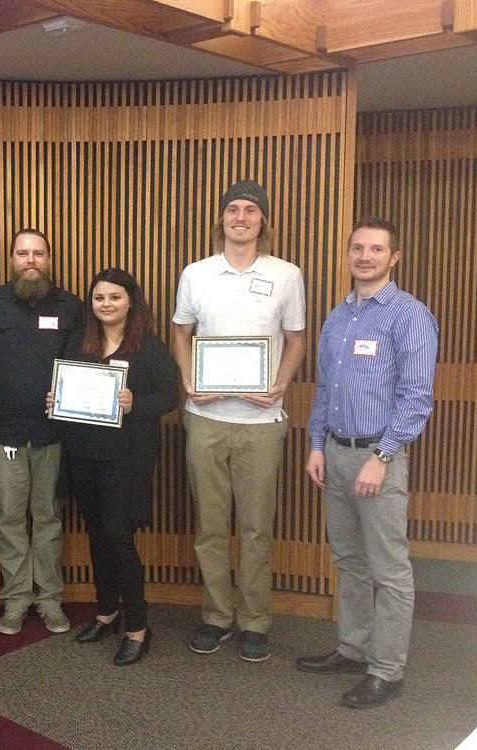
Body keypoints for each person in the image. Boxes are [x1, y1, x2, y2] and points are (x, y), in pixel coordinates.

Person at [296, 218, 438, 708]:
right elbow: (325, 389)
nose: (365, 256)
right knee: (349, 561)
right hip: (334, 453)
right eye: (357, 247)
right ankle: (353, 648)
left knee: (389, 568)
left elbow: (416, 398)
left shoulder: (410, 316)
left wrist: (382, 456)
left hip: (379, 457)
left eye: (376, 249)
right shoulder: (339, 316)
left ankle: (387, 669)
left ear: (393, 258)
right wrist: (316, 444)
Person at [172, 179, 306, 662]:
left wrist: (282, 384)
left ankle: (254, 621)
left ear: (263, 220)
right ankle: (215, 616)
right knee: (210, 526)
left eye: (251, 210)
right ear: (222, 219)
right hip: (205, 418)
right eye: (233, 209)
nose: (242, 217)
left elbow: (296, 340)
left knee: (254, 527)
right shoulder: (196, 273)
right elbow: (180, 333)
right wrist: (190, 382)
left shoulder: (287, 275)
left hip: (261, 420)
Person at [50, 268, 178, 666]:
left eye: (114, 297)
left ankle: (138, 627)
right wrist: (57, 401)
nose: (106, 304)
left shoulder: (150, 348)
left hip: (125, 458)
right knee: (96, 535)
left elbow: (169, 398)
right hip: (84, 453)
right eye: (99, 298)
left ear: (131, 301)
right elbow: (68, 388)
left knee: (119, 538)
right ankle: (107, 611)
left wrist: (133, 403)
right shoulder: (80, 340)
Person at [0, 228, 82, 636]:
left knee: (50, 518)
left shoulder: (70, 306)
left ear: (50, 259)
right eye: (23, 253)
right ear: (11, 259)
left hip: (54, 433)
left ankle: (50, 599)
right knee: (9, 521)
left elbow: (82, 362)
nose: (31, 260)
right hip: (2, 433)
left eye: (38, 253)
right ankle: (17, 598)